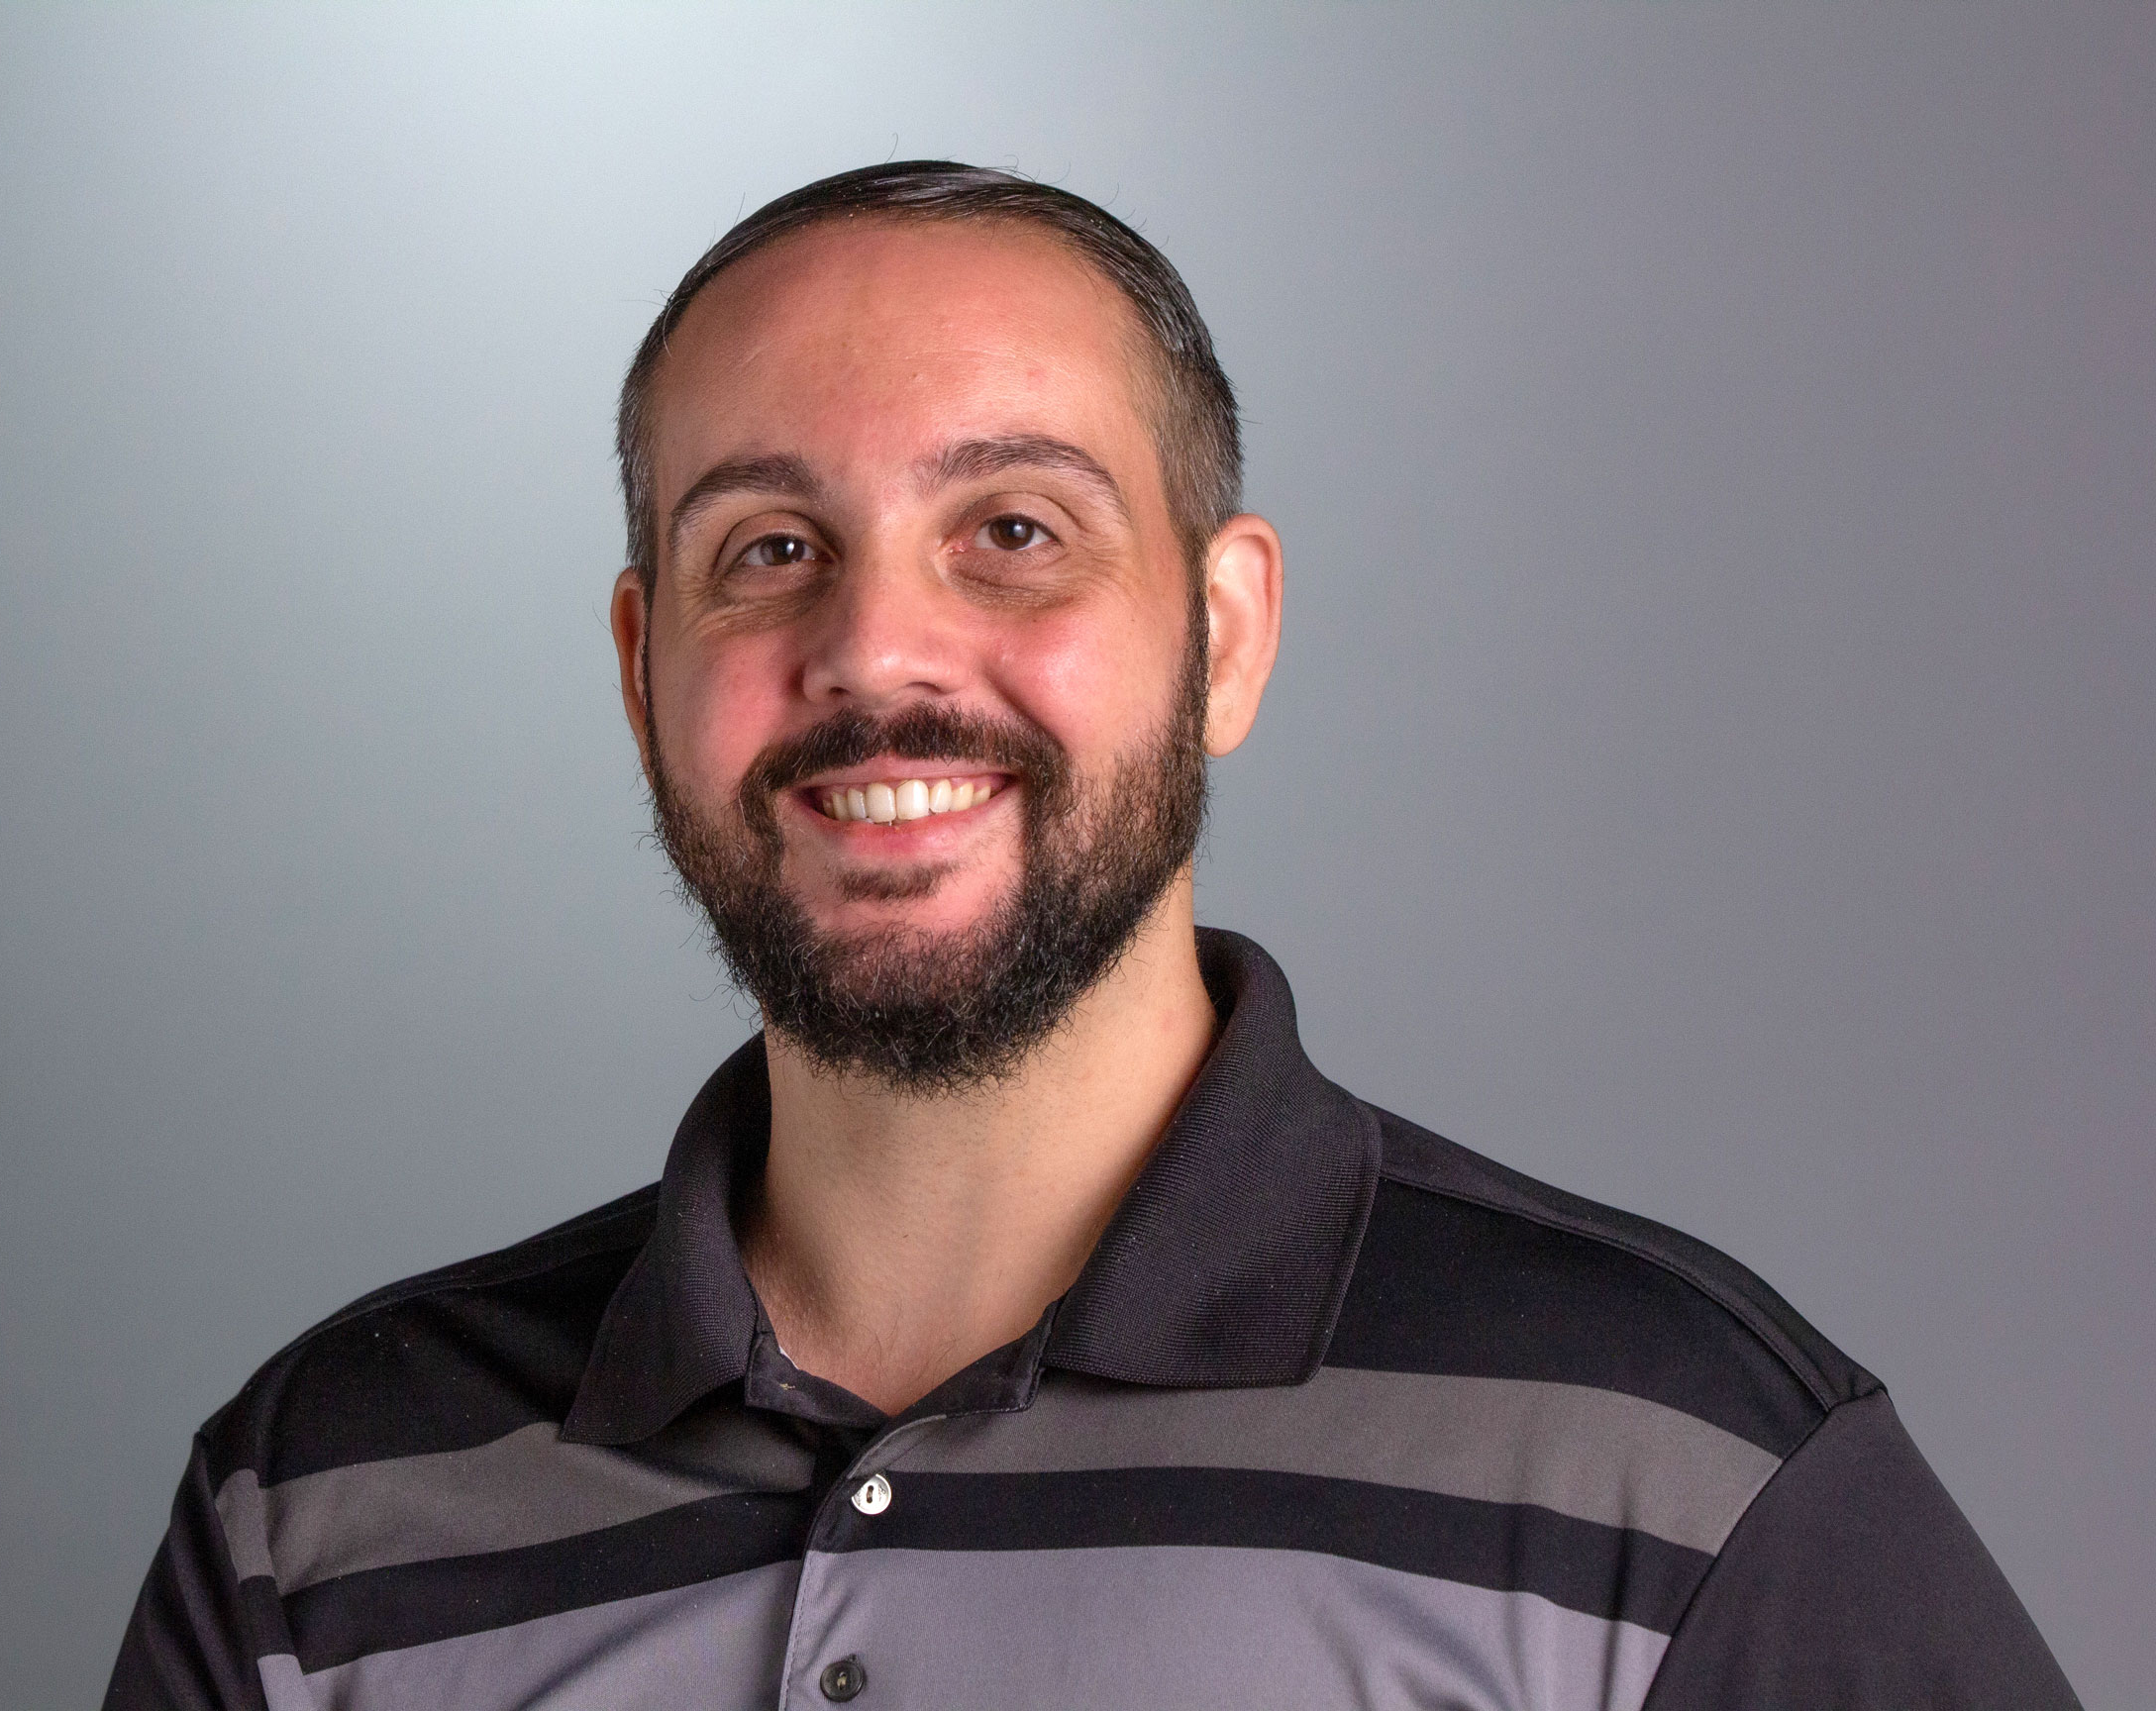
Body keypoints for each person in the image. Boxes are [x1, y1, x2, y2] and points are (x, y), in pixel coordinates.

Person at [103, 162, 2076, 1711]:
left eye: (1015, 532)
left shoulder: (1679, 1474)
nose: (875, 651)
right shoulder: (321, 1510)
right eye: (769, 551)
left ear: (1226, 636)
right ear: (643, 672)